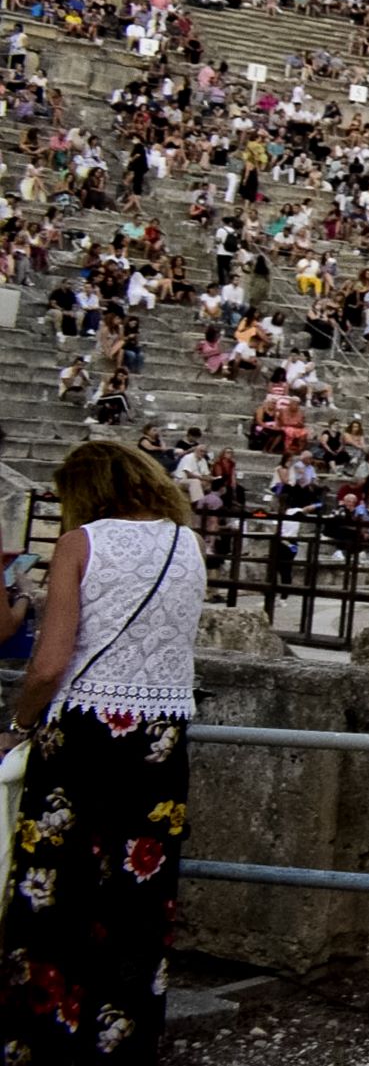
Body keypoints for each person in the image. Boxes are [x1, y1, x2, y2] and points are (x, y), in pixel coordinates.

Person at [0, 440, 209, 1062]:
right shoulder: (187, 543)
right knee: (137, 899)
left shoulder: (80, 543)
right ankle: (123, 1039)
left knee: (54, 894)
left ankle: (45, 1039)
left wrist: (19, 721)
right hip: (160, 742)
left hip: (85, 736)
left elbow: (50, 663)